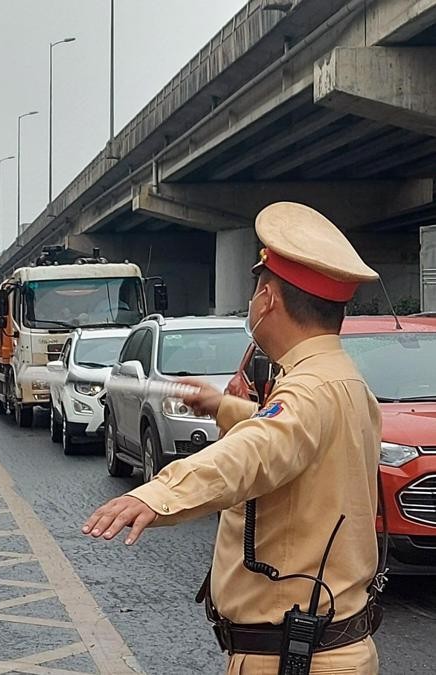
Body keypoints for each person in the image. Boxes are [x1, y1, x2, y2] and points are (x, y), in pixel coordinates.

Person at [83, 202, 383, 674]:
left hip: (296, 657)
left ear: (267, 298)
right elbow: (298, 440)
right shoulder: (337, 380)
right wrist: (224, 407)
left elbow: (252, 453)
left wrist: (160, 492)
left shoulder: (307, 390)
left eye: (254, 292)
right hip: (323, 647)